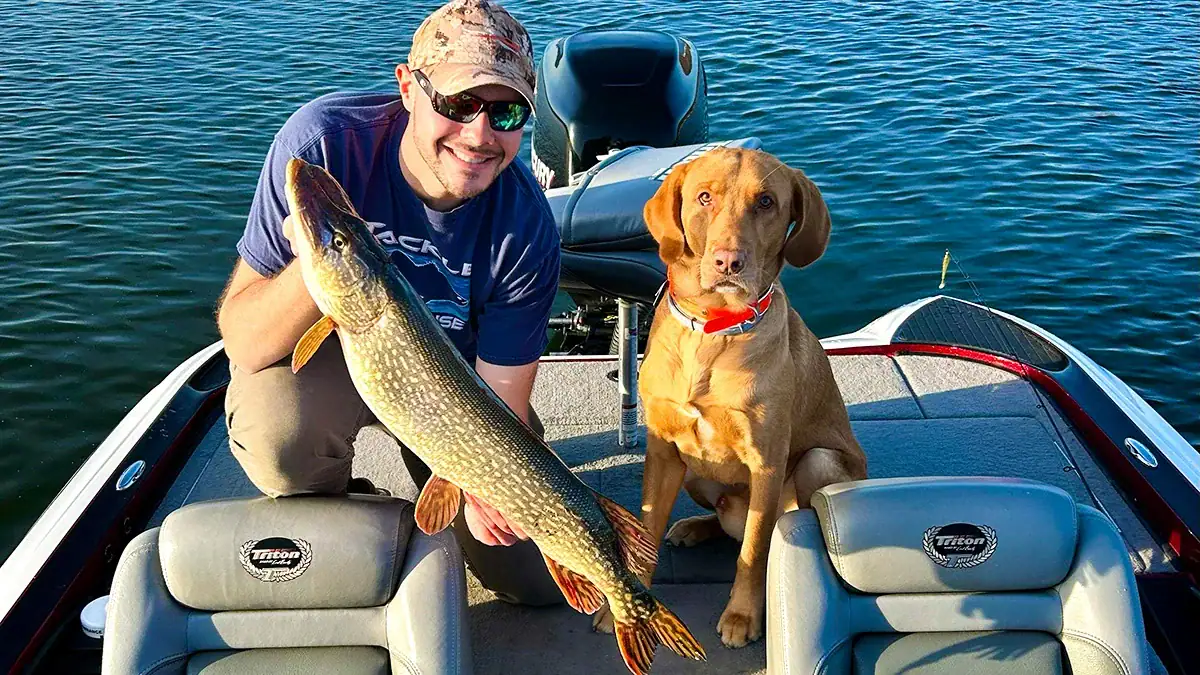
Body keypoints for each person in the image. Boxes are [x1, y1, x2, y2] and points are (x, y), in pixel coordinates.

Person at [215, 0, 563, 605]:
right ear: (408, 88)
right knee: (279, 436)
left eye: (506, 112)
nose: (479, 135)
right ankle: (357, 510)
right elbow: (244, 341)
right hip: (337, 352)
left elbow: (500, 401)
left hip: (458, 387)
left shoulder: (527, 227)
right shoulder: (323, 146)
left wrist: (479, 488)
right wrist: (313, 266)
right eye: (458, 104)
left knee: (536, 583)